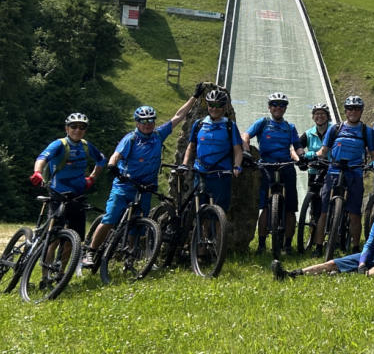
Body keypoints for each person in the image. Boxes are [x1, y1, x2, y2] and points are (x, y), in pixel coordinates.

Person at [83, 88, 199, 266]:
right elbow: (116, 155)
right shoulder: (130, 139)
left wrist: (194, 97)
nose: (148, 124)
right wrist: (112, 166)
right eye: (143, 121)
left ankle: (130, 256)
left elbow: (178, 116)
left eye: (151, 120)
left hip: (146, 188)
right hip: (125, 186)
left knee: (137, 226)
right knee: (110, 219)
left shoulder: (158, 135)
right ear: (137, 123)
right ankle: (90, 252)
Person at [271, 179, 374, 279]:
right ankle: (291, 274)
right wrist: (362, 262)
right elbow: (370, 243)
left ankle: (355, 274)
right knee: (331, 263)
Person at [312, 95, 374, 255]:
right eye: (349, 108)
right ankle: (318, 246)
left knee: (355, 213)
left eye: (356, 109)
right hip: (334, 171)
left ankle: (355, 247)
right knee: (324, 211)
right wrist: (312, 154)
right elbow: (324, 150)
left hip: (355, 173)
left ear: (361, 111)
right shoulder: (335, 129)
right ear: (345, 111)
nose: (353, 112)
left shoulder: (366, 131)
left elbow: (373, 153)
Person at [241, 92, 304, 255]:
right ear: (269, 107)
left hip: (286, 167)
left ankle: (288, 245)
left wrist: (302, 156)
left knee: (290, 209)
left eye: (282, 105)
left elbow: (297, 145)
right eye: (275, 104)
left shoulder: (290, 127)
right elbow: (246, 135)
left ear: (285, 108)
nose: (278, 108)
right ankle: (261, 245)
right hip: (266, 166)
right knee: (264, 207)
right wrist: (246, 151)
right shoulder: (263, 123)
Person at [31, 112, 106, 242]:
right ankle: (47, 255)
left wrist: (92, 178)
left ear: (85, 130)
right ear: (67, 128)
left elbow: (101, 159)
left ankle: (68, 256)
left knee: (74, 239)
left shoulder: (86, 146)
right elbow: (42, 158)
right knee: (53, 239)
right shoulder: (59, 144)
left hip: (78, 195)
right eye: (73, 126)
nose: (78, 130)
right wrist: (37, 172)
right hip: (58, 193)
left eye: (82, 127)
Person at [180, 89, 244, 212]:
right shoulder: (199, 124)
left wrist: (237, 166)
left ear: (224, 107)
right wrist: (184, 164)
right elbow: (191, 147)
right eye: (211, 105)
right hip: (201, 173)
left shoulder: (230, 126)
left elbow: (237, 150)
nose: (214, 108)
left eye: (218, 105)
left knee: (220, 212)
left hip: (221, 175)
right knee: (199, 210)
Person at [297, 102, 332, 192]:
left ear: (327, 116)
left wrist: (311, 155)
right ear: (313, 117)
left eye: (322, 113)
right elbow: (297, 146)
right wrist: (300, 159)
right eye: (317, 114)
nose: (319, 116)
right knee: (312, 196)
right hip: (314, 170)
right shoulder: (308, 133)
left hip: (331, 170)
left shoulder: (334, 130)